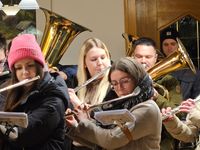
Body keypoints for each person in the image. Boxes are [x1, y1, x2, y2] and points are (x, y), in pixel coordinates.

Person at [65, 57, 162, 150]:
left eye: (124, 81)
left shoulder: (147, 109)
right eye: (114, 84)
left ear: (137, 79)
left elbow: (112, 141)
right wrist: (75, 126)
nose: (119, 88)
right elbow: (100, 144)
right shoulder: (121, 106)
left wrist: (85, 122)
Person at [0, 34, 70, 150]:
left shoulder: (55, 97)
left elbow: (22, 135)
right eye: (18, 68)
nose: (24, 72)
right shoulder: (13, 91)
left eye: (30, 65)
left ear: (39, 66)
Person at [65, 37, 117, 150]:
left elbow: (106, 126)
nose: (100, 63)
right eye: (94, 59)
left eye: (103, 57)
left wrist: (78, 103)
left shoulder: (114, 87)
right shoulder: (77, 84)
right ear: (84, 63)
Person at [132, 37, 183, 150]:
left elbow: (179, 113)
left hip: (162, 140)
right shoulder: (125, 80)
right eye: (139, 56)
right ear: (133, 58)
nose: (143, 61)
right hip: (131, 139)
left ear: (155, 58)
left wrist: (156, 96)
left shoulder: (169, 81)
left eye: (148, 57)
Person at [160, 27, 200, 100]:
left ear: (179, 46)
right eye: (166, 44)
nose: (169, 48)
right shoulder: (157, 69)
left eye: (173, 44)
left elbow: (198, 101)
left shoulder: (194, 73)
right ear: (161, 47)